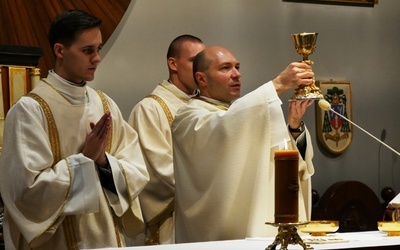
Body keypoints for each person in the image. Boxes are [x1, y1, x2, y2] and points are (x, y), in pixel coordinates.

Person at [0, 9, 149, 249]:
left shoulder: (104, 103)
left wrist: (103, 162)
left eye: (98, 49)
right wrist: (84, 160)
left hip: (106, 238)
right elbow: (25, 193)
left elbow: (136, 170)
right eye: (87, 51)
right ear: (60, 51)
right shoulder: (30, 110)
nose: (97, 58)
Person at [172, 46, 315, 243]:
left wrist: (294, 127)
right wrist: (278, 84)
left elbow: (278, 165)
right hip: (217, 238)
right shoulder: (188, 118)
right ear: (202, 78)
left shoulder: (248, 113)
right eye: (225, 68)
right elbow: (223, 129)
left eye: (237, 67)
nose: (236, 75)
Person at [128, 35, 206, 244]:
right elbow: (158, 171)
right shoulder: (150, 109)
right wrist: (208, 185)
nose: (201, 68)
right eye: (194, 61)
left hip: (206, 215)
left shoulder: (206, 106)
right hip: (170, 223)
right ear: (173, 63)